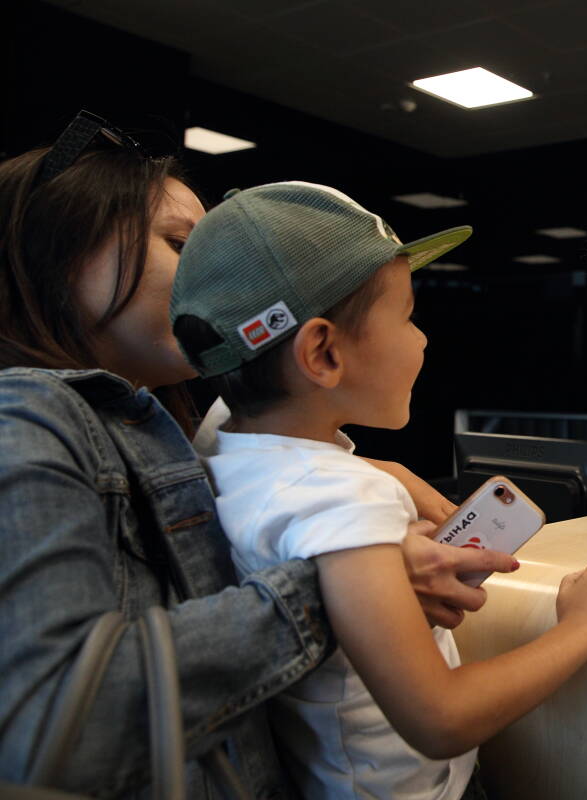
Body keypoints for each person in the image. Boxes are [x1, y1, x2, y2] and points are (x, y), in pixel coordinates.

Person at [0, 112, 516, 796]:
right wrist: (347, 590)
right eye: (182, 245)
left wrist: (369, 479)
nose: (215, 278)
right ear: (61, 252)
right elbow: (56, 726)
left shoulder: (184, 428)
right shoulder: (25, 416)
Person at [170, 181, 587, 800]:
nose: (422, 339)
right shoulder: (342, 498)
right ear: (322, 352)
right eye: (406, 316)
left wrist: (385, 477)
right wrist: (585, 625)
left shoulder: (214, 447)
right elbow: (441, 718)